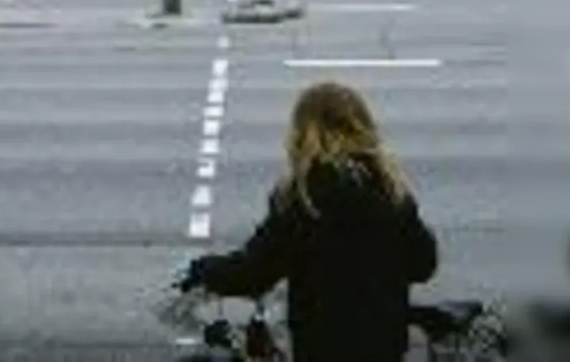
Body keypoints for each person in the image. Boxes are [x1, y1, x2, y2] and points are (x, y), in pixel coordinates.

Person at [177, 81, 438, 361]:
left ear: (303, 133)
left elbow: (253, 273)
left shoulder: (303, 196)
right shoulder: (389, 189)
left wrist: (205, 270)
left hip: (320, 348)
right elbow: (423, 265)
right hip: (384, 347)